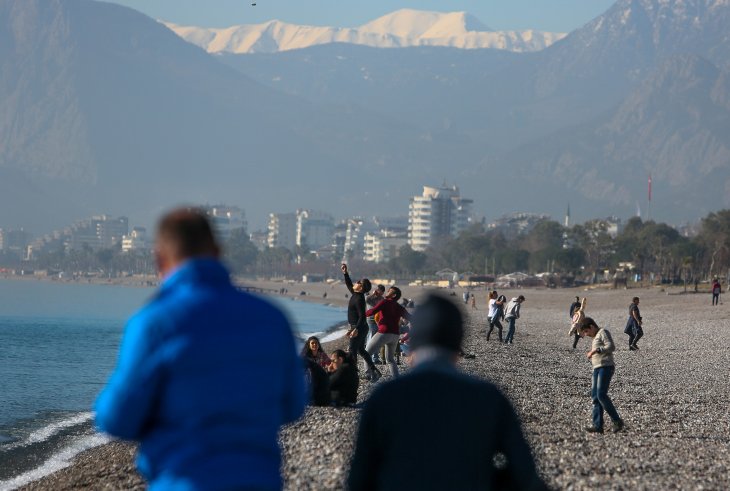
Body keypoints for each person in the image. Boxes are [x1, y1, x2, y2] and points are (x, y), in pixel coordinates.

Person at [94, 208, 306, 490]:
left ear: (159, 258)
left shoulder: (154, 323)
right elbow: (293, 406)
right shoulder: (272, 317)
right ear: (217, 251)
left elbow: (116, 419)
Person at [348, 293, 548, 491]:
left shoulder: (385, 396)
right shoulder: (488, 396)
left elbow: (359, 477)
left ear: (415, 341)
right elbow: (525, 472)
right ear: (458, 341)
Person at [579, 317, 625, 434]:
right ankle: (598, 425)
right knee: (595, 396)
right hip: (597, 368)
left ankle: (617, 421)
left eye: (586, 331)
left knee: (601, 394)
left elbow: (611, 346)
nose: (586, 334)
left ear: (591, 326)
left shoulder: (603, 332)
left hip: (606, 366)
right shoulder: (595, 337)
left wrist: (595, 351)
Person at [341, 263, 381, 382]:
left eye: (358, 282)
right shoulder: (356, 294)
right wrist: (345, 273)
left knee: (353, 351)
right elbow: (349, 284)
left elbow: (362, 317)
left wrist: (355, 329)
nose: (356, 282)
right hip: (361, 327)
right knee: (360, 350)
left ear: (361, 287)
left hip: (360, 327)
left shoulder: (359, 299)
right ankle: (374, 370)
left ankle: (353, 375)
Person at [365, 286, 411, 379]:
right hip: (395, 336)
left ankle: (369, 375)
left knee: (366, 353)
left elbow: (372, 312)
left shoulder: (385, 302)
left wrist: (361, 313)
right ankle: (396, 378)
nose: (387, 291)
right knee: (390, 359)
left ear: (393, 295)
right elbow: (411, 318)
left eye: (390, 291)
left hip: (384, 333)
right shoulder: (399, 306)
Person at [366, 285, 386, 364]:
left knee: (377, 340)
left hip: (379, 320)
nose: (379, 293)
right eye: (378, 290)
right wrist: (373, 294)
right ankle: (368, 357)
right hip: (371, 320)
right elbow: (366, 299)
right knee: (371, 337)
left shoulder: (381, 299)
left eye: (381, 292)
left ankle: (375, 358)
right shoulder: (370, 297)